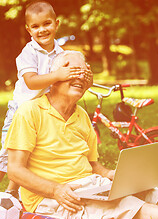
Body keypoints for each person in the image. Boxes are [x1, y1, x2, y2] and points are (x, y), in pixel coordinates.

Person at [5, 50, 158, 219]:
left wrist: (112, 175)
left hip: (92, 186)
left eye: (84, 73)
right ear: (55, 76)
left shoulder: (82, 116)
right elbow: (15, 170)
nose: (80, 77)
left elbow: (92, 165)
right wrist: (56, 190)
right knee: (129, 206)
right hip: (55, 197)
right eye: (73, 71)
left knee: (152, 193)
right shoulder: (29, 112)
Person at [0, 0, 92, 198]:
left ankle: (12, 193)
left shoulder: (61, 53)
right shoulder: (28, 53)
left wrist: (86, 79)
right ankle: (5, 191)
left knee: (30, 153)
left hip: (44, 111)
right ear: (28, 29)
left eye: (46, 23)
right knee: (8, 155)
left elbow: (70, 81)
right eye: (35, 26)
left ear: (56, 24)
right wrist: (59, 75)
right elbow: (32, 82)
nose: (42, 29)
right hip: (21, 111)